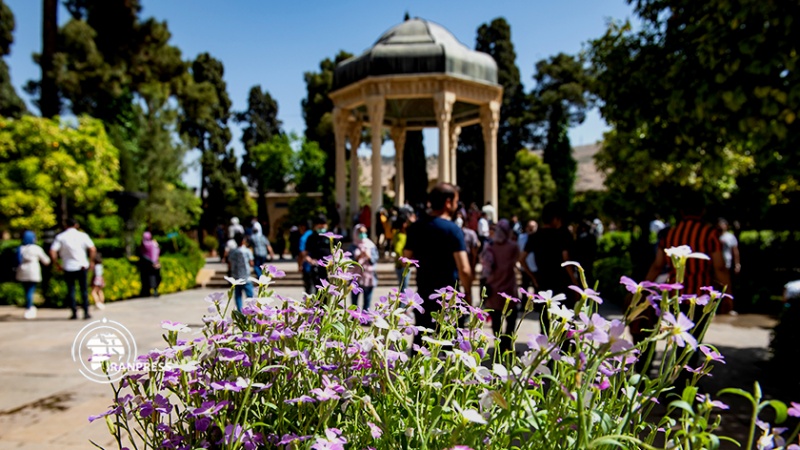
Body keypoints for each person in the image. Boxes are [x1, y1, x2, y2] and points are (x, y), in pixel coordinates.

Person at [638, 195, 731, 374]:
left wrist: (643, 288)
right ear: (702, 211)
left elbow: (657, 265)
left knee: (674, 338)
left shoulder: (670, 233)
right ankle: (682, 382)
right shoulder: (709, 233)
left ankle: (670, 379)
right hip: (699, 297)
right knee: (692, 342)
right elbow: (719, 267)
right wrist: (727, 294)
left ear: (681, 211)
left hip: (674, 296)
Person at [404, 183, 472, 348]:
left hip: (424, 295)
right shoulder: (453, 230)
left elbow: (406, 257)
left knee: (421, 345)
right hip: (448, 299)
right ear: (448, 202)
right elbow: (464, 268)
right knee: (451, 347)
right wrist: (468, 293)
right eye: (456, 201)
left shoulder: (416, 227)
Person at [519, 203, 578, 333]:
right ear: (556, 218)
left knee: (545, 319)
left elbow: (521, 259)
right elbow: (565, 257)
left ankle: (545, 346)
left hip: (543, 281)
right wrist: (574, 279)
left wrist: (533, 277)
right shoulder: (563, 234)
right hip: (563, 282)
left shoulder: (535, 236)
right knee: (566, 318)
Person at [480, 219, 521, 353]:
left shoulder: (489, 246)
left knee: (496, 319)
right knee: (512, 317)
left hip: (493, 288)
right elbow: (516, 261)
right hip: (509, 287)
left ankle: (498, 344)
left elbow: (485, 268)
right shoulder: (513, 247)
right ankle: (507, 343)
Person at [50, 218, 96, 320]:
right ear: (76, 225)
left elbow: (53, 251)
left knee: (71, 290)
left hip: (68, 266)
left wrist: (56, 263)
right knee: (84, 289)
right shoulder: (82, 235)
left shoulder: (61, 237)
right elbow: (92, 248)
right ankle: (86, 312)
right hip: (81, 265)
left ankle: (74, 312)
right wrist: (91, 261)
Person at [16, 230, 51, 319]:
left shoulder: (21, 248)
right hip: (33, 270)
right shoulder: (36, 248)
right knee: (31, 290)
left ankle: (29, 306)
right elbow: (46, 260)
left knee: (27, 290)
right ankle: (29, 307)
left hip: (22, 270)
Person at [349, 224, 379, 310]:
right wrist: (357, 257)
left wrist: (369, 256)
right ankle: (354, 316)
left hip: (368, 277)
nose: (363, 234)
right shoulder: (353, 246)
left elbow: (375, 259)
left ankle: (365, 317)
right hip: (355, 277)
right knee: (354, 301)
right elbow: (349, 261)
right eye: (360, 232)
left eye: (364, 232)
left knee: (367, 300)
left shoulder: (371, 245)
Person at [304, 214, 335, 289]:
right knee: (318, 290)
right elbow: (307, 253)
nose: (321, 227)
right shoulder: (311, 238)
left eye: (323, 225)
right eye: (319, 225)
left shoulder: (331, 236)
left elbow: (337, 251)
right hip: (316, 268)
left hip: (329, 267)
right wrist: (310, 260)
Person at [228, 232, 254, 312]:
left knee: (238, 296)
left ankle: (240, 313)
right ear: (243, 240)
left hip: (236, 277)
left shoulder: (232, 251)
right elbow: (251, 262)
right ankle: (251, 311)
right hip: (246, 276)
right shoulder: (247, 251)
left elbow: (230, 263)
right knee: (250, 297)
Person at [516, 220, 539, 291]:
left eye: (533, 227)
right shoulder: (521, 238)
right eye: (529, 227)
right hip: (525, 268)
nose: (531, 229)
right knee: (524, 291)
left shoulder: (539, 239)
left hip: (536, 269)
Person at [393, 214, 412, 290]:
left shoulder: (396, 233)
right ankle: (402, 302)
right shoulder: (401, 235)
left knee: (402, 286)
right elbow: (398, 249)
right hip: (402, 265)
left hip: (398, 264)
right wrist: (403, 261)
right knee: (404, 287)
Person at [139, 231, 161, 298]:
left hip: (145, 264)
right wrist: (155, 262)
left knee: (146, 278)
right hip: (153, 264)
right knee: (154, 277)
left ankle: (146, 292)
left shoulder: (143, 244)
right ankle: (155, 291)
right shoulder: (153, 244)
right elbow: (156, 252)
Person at [297, 221, 315, 294]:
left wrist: (300, 265)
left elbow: (302, 253)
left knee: (309, 286)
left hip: (307, 265)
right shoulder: (314, 234)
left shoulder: (303, 237)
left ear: (303, 227)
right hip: (317, 264)